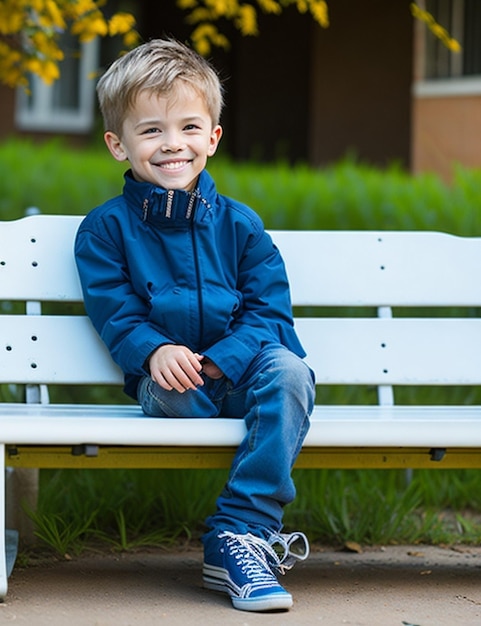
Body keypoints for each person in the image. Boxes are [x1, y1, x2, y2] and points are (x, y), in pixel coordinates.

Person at [74, 38, 315, 613]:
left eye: (188, 127)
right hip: (173, 385)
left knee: (289, 372)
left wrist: (225, 359)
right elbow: (115, 310)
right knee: (178, 391)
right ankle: (239, 543)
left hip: (241, 372)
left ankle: (241, 533)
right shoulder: (104, 231)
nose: (172, 144)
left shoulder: (241, 225)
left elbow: (269, 314)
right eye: (151, 130)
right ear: (117, 143)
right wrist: (154, 351)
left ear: (213, 136)